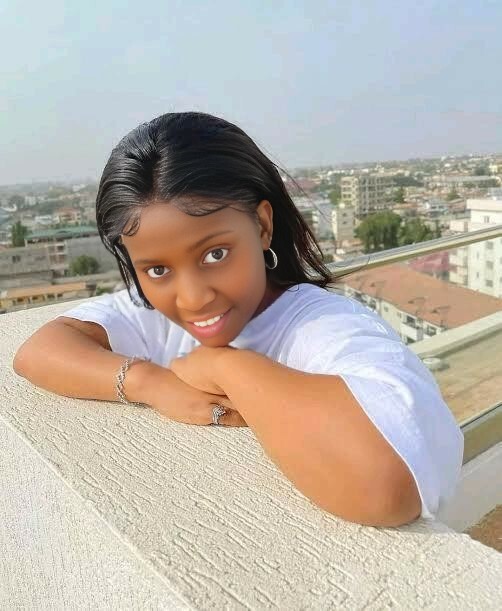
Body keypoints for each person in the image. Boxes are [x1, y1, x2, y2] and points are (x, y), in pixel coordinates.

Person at [13, 111, 463, 528]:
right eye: (158, 269)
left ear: (262, 226)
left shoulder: (323, 325)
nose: (193, 298)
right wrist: (152, 384)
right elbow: (39, 352)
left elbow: (386, 488)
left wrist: (226, 365)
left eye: (215, 254)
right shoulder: (154, 313)